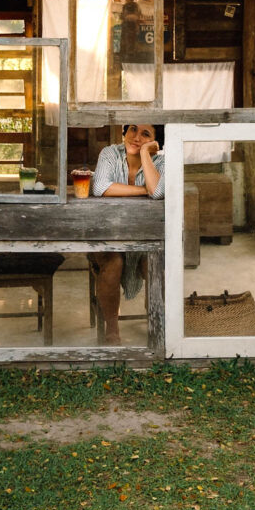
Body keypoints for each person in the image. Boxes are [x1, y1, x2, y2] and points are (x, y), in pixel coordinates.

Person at [89, 123, 164, 345]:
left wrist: (144, 155)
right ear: (124, 132)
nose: (136, 137)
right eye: (132, 129)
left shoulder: (162, 160)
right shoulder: (110, 153)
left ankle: (156, 319)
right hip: (108, 234)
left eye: (146, 134)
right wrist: (144, 190)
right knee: (113, 263)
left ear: (155, 142)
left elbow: (158, 192)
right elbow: (100, 187)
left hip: (145, 235)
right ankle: (112, 328)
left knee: (153, 262)